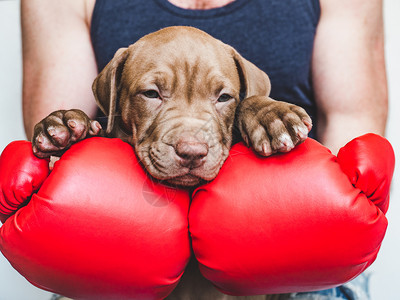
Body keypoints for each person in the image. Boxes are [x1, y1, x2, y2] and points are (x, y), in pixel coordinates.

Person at [20, 0, 387, 299]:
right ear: (114, 95)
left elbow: (352, 130)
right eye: (153, 92)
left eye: (225, 97)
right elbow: (56, 156)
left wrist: (255, 111)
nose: (191, 146)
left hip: (287, 263)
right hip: (114, 258)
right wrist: (68, 129)